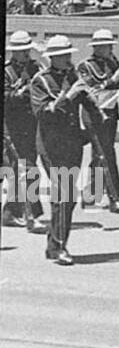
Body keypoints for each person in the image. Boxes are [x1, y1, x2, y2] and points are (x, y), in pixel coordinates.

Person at [30, 35, 91, 265]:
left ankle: (54, 243)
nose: (67, 59)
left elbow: (84, 102)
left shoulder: (72, 75)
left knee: (68, 196)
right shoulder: (40, 81)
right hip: (51, 144)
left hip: (73, 142)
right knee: (64, 194)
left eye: (68, 55)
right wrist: (69, 95)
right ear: (52, 58)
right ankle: (59, 246)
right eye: (63, 56)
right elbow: (44, 113)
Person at [75, 29, 119, 212]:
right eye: (107, 46)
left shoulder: (112, 62)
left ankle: (90, 195)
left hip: (111, 112)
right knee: (106, 154)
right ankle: (114, 197)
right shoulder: (85, 66)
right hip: (94, 114)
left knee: (101, 153)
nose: (110, 49)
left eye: (110, 45)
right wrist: (114, 79)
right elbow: (92, 89)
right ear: (97, 47)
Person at [3, 31, 44, 232]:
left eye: (27, 50)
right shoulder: (7, 71)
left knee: (23, 168)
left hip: (31, 124)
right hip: (12, 126)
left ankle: (11, 212)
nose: (26, 54)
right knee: (25, 169)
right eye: (22, 51)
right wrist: (21, 92)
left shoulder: (35, 68)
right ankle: (32, 215)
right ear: (14, 53)